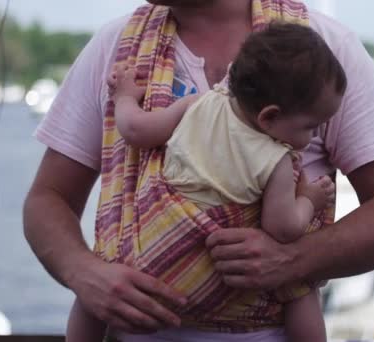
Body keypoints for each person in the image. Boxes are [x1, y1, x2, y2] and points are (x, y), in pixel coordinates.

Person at [23, 0, 374, 341]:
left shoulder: (323, 56)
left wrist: (294, 260)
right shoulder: (115, 50)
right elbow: (47, 199)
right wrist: (84, 272)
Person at [68, 22, 343, 342]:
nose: (310, 139)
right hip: (207, 277)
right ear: (268, 117)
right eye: (311, 127)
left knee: (93, 288)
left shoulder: (198, 104)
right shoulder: (276, 162)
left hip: (144, 265)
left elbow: (135, 131)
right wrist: (309, 199)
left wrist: (126, 97)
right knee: (300, 289)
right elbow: (283, 229)